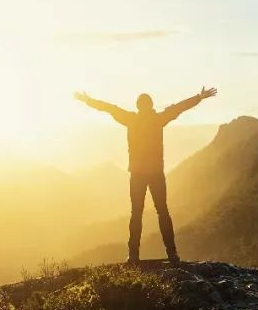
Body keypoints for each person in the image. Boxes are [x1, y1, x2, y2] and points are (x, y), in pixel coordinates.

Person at [74, 86, 218, 264]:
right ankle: (172, 254)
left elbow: (109, 107)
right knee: (162, 212)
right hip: (156, 173)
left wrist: (87, 100)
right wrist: (199, 97)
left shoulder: (130, 119)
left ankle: (133, 256)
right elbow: (179, 108)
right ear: (151, 106)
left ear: (137, 106)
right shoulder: (158, 119)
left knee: (136, 214)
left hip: (137, 174)